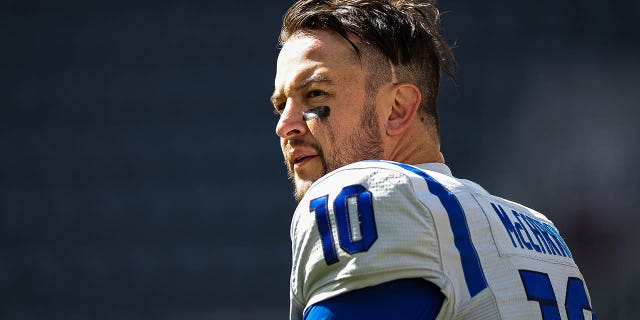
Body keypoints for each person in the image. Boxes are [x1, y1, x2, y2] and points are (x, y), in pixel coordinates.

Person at [270, 1, 596, 319]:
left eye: (314, 94)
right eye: (281, 105)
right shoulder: (541, 231)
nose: (284, 126)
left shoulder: (366, 193)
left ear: (397, 108)